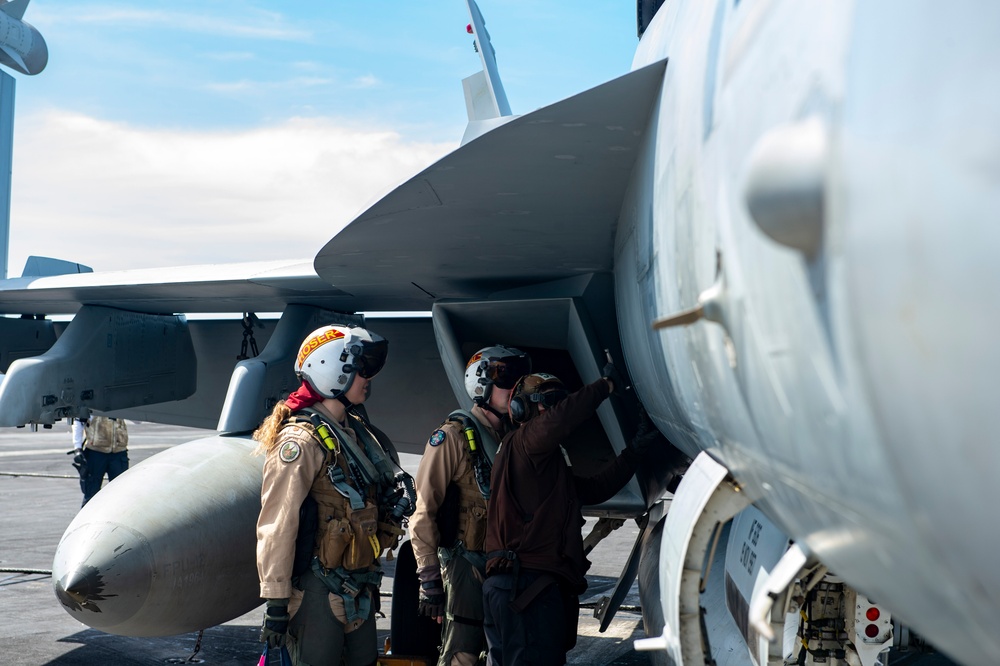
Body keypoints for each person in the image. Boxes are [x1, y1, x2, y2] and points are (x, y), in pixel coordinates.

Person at [255, 324, 411, 666]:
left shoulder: (353, 432)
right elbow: (277, 524)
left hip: (359, 584)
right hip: (318, 589)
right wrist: (277, 602)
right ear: (331, 370)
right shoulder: (300, 442)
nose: (367, 378)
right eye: (360, 369)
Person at [481, 368, 659, 666]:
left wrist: (634, 452)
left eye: (558, 401)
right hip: (525, 589)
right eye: (547, 401)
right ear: (520, 407)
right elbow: (560, 420)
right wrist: (606, 385)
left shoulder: (542, 464)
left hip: (520, 589)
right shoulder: (525, 442)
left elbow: (592, 490)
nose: (552, 409)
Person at [410, 345, 532, 666]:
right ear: (482, 386)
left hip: (505, 569)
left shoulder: (513, 437)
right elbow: (424, 512)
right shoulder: (452, 438)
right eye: (507, 381)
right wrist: (429, 581)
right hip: (466, 570)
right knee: (462, 654)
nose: (515, 389)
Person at [71, 415, 129, 507]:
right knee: (91, 494)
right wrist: (77, 447)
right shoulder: (95, 403)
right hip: (96, 453)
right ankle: (87, 520)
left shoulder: (122, 401)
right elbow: (79, 421)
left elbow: (138, 420)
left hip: (119, 453)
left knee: (120, 495)